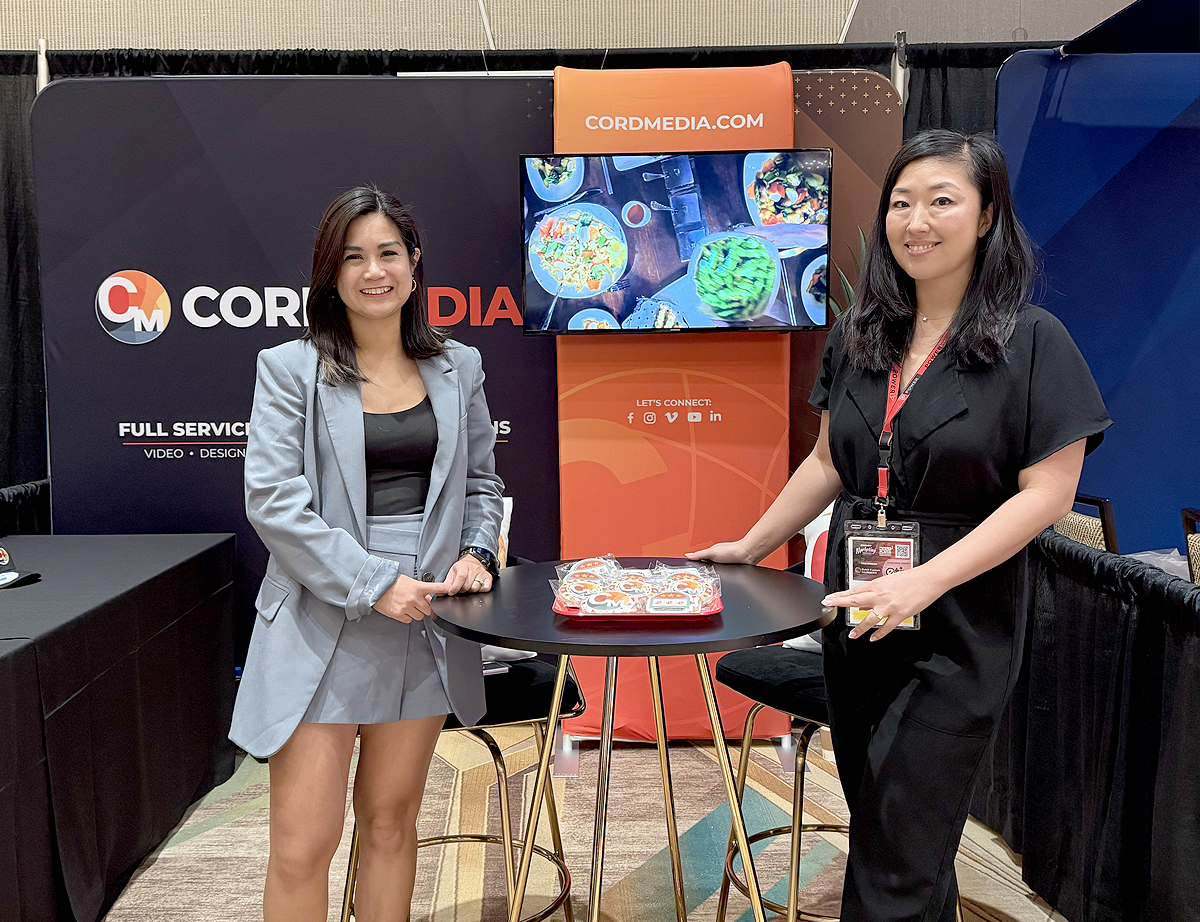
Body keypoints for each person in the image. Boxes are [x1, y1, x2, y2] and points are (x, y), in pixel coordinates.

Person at [689, 130, 1110, 921]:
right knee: (894, 834)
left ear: (987, 216)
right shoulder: (861, 332)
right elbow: (827, 462)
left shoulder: (1032, 341)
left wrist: (925, 581)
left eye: (942, 201)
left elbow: (1048, 495)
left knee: (897, 852)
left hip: (961, 617)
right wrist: (751, 544)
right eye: (901, 202)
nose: (916, 221)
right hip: (860, 611)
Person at [228, 185, 504, 922]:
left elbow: (482, 483)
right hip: (321, 616)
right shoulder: (289, 368)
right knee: (302, 844)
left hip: (427, 622)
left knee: (390, 825)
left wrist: (478, 552)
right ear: (331, 272)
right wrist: (376, 581)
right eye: (353, 257)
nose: (373, 271)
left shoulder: (460, 366)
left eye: (388, 253)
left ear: (414, 262)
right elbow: (274, 502)